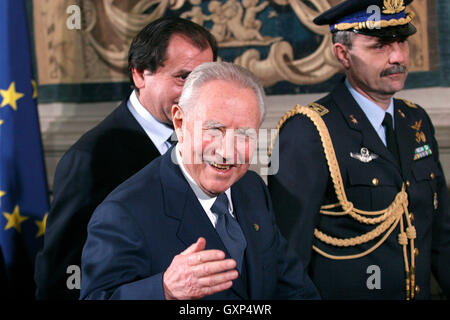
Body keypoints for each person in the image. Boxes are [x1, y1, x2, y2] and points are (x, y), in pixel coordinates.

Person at [79, 62, 320, 300]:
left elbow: (294, 289)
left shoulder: (251, 188)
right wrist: (164, 291)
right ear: (180, 123)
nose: (227, 152)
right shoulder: (124, 212)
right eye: (215, 129)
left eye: (244, 135)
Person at [268, 0, 450, 300]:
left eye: (402, 42)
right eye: (379, 46)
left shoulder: (415, 120)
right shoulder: (307, 130)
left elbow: (441, 235)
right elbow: (289, 256)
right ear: (343, 54)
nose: (397, 57)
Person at [34, 17, 217, 300]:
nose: (195, 93)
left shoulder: (213, 142)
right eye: (183, 78)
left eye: (204, 79)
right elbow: (62, 279)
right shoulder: (90, 160)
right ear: (139, 75)